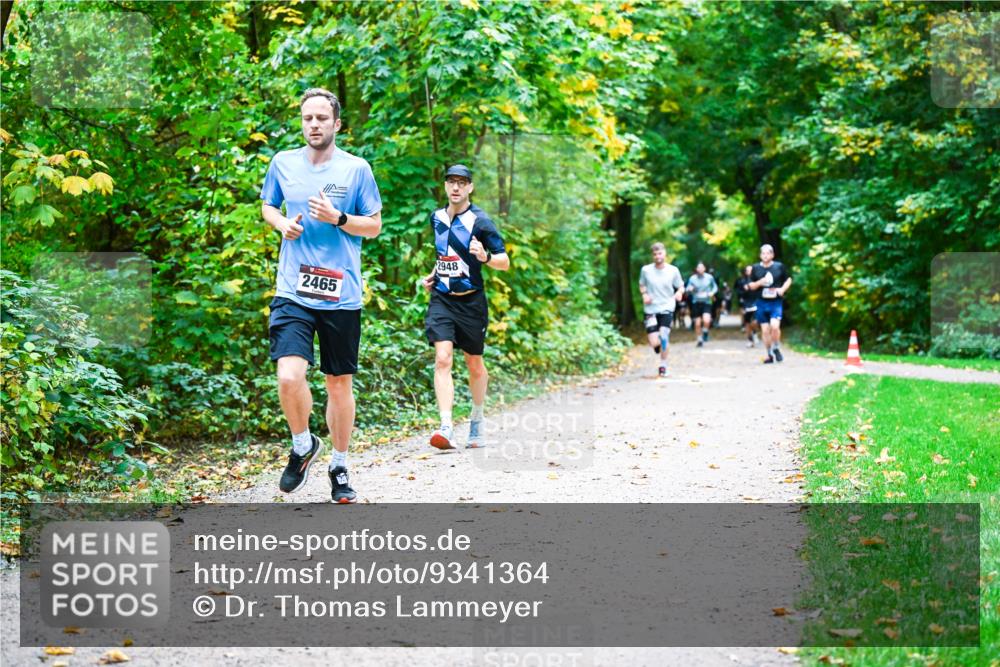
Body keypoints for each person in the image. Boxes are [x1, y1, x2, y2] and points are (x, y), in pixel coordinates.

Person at [260, 88, 383, 503]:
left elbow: (374, 226)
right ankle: (302, 445)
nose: (314, 125)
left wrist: (339, 218)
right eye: (307, 118)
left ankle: (340, 465)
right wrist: (281, 224)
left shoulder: (356, 169)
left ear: (337, 124)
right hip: (293, 289)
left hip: (341, 292)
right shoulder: (283, 163)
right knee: (288, 375)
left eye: (321, 118)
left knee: (338, 383)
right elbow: (268, 206)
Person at [421, 164, 510, 449]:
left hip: (472, 303)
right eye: (451, 182)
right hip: (442, 299)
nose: (456, 187)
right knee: (442, 358)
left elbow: (504, 262)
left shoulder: (481, 222)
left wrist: (485, 257)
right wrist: (435, 274)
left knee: (474, 363)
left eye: (462, 182)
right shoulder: (436, 218)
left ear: (470, 187)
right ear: (445, 186)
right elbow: (445, 254)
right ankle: (446, 427)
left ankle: (477, 420)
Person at [638, 242, 685, 377]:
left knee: (664, 336)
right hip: (650, 309)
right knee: (654, 343)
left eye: (660, 253)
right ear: (652, 256)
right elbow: (642, 284)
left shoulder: (673, 270)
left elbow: (681, 286)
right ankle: (658, 347)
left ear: (665, 254)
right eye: (655, 254)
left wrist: (679, 293)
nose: (658, 256)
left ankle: (663, 365)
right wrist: (644, 294)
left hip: (667, 307)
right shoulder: (646, 270)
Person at [748, 244, 792, 363]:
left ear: (772, 255)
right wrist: (760, 282)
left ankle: (776, 347)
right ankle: (769, 354)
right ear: (760, 255)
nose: (765, 255)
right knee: (765, 330)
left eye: (768, 253)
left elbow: (788, 279)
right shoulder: (756, 268)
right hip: (761, 302)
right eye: (763, 253)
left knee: (775, 326)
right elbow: (751, 286)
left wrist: (782, 289)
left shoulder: (779, 266)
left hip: (775, 302)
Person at [685, 262, 718, 347]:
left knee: (707, 320)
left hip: (707, 301)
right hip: (696, 302)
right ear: (696, 269)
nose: (700, 269)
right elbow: (687, 289)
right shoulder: (692, 278)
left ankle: (705, 331)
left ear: (704, 269)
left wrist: (712, 293)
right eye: (698, 268)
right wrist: (690, 289)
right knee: (697, 323)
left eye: (701, 268)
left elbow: (715, 287)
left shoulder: (709, 277)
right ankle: (699, 339)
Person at [735, 265, 760, 347]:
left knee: (755, 321)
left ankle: (755, 333)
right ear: (745, 272)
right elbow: (739, 293)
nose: (750, 272)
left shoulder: (758, 280)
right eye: (748, 270)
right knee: (747, 323)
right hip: (746, 303)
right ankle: (750, 339)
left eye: (751, 270)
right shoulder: (742, 281)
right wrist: (744, 290)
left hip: (757, 302)